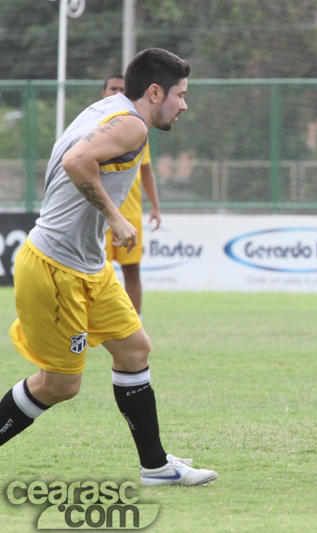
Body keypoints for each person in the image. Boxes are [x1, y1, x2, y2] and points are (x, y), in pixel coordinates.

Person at [0, 48, 217, 486]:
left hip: (88, 267)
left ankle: (156, 467)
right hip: (55, 268)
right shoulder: (132, 124)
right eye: (180, 95)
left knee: (134, 349)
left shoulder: (107, 110)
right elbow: (75, 161)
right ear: (155, 92)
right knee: (59, 386)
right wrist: (115, 218)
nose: (184, 105)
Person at [101, 74, 162, 318]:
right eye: (112, 88)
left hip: (130, 212)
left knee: (132, 270)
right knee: (96, 271)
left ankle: (135, 322)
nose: (117, 92)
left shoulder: (137, 127)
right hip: (102, 213)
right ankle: (94, 322)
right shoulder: (96, 126)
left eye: (122, 89)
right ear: (104, 92)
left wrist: (155, 206)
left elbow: (146, 170)